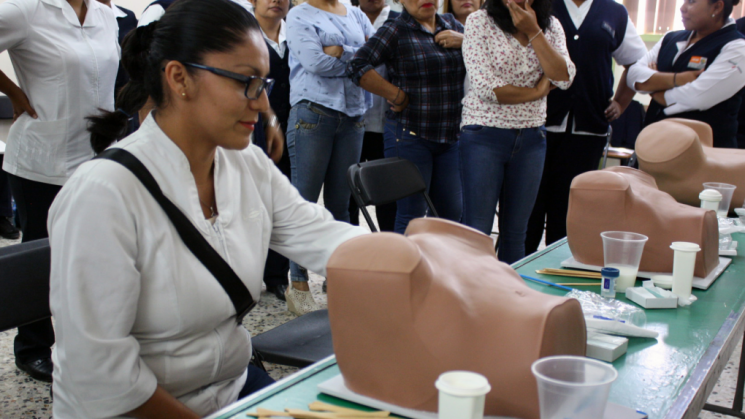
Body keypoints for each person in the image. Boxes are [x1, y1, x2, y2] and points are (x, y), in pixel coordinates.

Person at [51, 0, 366, 417]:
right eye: (245, 82)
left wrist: (420, 260)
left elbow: (323, 236)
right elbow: (99, 374)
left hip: (230, 387)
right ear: (179, 78)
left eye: (264, 85)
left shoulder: (244, 163)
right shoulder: (104, 194)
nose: (261, 104)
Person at [0, 0, 119, 382]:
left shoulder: (104, 15)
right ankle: (32, 347)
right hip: (43, 159)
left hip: (97, 156)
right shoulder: (26, 10)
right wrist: (15, 94)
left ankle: (88, 344)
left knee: (94, 255)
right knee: (43, 254)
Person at [524, 0, 646, 253]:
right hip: (539, 122)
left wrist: (622, 102)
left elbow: (637, 62)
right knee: (530, 206)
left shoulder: (614, 12)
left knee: (569, 208)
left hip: (589, 127)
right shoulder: (543, 4)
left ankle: (557, 270)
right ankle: (519, 273)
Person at [459, 0, 575, 264]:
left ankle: (511, 298)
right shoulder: (480, 22)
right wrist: (537, 91)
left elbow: (564, 77)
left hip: (533, 136)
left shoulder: (550, 26)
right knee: (477, 229)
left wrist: (534, 31)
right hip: (484, 135)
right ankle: (471, 297)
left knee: (515, 232)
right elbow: (487, 89)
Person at [285, 0, 374, 313]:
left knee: (341, 203)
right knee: (304, 203)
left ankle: (338, 276)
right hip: (314, 115)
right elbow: (316, 63)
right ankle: (297, 283)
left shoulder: (355, 12)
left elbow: (376, 55)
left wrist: (340, 50)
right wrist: (356, 55)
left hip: (353, 117)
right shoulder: (298, 14)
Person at [348, 0, 467, 234]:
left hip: (451, 137)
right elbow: (357, 65)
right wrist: (396, 95)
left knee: (451, 214)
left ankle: (439, 269)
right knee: (411, 214)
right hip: (410, 136)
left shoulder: (452, 25)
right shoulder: (395, 29)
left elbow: (486, 54)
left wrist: (466, 41)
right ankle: (403, 269)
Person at [627, 0, 745, 149]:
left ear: (717, 6)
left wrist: (653, 87)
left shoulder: (737, 48)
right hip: (654, 146)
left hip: (701, 156)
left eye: (691, 2)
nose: (682, 8)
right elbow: (633, 75)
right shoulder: (671, 38)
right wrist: (678, 80)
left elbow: (696, 98)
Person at [249, 0, 294, 300]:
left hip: (297, 128)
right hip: (254, 126)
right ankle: (249, 273)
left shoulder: (297, 32)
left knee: (284, 199)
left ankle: (277, 275)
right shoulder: (243, 35)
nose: (276, 1)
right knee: (254, 201)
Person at [347, 0, 399, 231]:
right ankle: (351, 257)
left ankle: (391, 257)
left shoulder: (400, 20)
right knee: (347, 198)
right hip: (349, 123)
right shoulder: (344, 18)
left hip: (389, 125)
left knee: (389, 198)